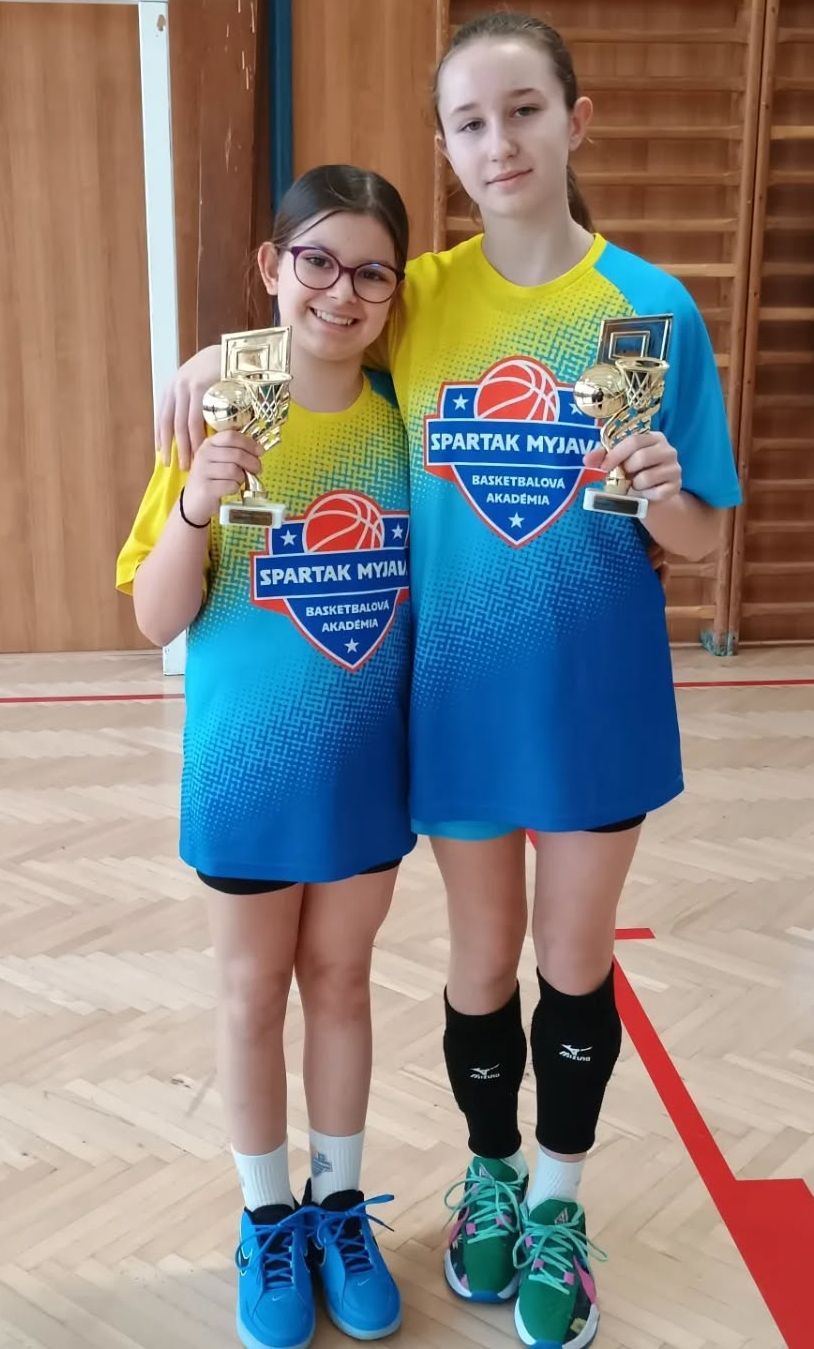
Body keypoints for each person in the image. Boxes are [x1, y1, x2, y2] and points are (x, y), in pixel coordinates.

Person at [156, 14, 742, 1347]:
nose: (500, 141)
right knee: (479, 961)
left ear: (574, 121)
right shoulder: (419, 296)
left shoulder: (647, 308)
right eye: (471, 122)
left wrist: (664, 491)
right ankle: (487, 1175)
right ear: (445, 145)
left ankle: (557, 1203)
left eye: (524, 111)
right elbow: (312, 323)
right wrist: (211, 361)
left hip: (592, 701)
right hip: (459, 699)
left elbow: (702, 535)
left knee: (571, 960)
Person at [117, 164, 414, 1349]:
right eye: (317, 261)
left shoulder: (402, 417)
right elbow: (154, 614)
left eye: (370, 271)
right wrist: (196, 502)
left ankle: (338, 1204)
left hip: (364, 766)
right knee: (251, 995)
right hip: (245, 768)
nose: (341, 291)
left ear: (394, 290)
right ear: (271, 266)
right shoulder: (219, 411)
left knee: (341, 982)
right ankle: (266, 1217)